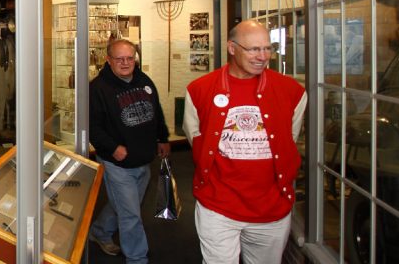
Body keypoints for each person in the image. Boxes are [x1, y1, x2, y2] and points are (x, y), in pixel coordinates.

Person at [182, 20, 306, 263]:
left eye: (267, 48)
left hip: (271, 209)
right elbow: (195, 136)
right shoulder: (199, 89)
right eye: (253, 49)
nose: (263, 56)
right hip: (217, 206)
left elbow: (289, 138)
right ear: (231, 48)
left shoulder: (292, 91)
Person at [88, 39, 170, 263]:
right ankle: (137, 258)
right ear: (108, 60)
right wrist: (113, 148)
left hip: (144, 159)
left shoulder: (144, 80)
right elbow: (92, 127)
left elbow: (156, 112)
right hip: (118, 163)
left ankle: (99, 231)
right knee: (131, 214)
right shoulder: (97, 89)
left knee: (124, 205)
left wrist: (163, 137)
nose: (125, 63)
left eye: (130, 58)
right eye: (119, 59)